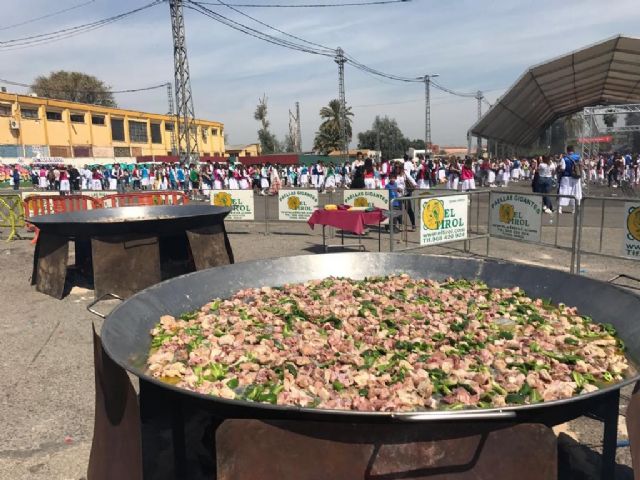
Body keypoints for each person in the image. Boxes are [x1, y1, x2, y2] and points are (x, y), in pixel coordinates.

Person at [557, 146, 582, 214]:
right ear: (573, 150)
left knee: (563, 192)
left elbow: (563, 168)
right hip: (576, 177)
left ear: (567, 150)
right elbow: (581, 166)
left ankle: (560, 208)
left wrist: (558, 168)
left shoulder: (564, 158)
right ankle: (574, 209)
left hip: (566, 177)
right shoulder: (578, 157)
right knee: (575, 192)